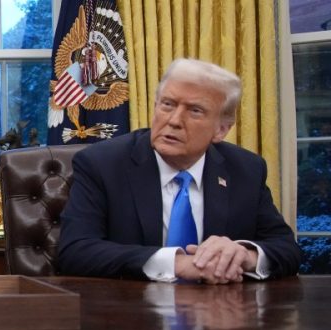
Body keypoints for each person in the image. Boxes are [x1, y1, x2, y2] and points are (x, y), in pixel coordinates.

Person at [57, 58, 301, 284]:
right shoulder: (102, 164)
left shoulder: (246, 169)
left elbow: (287, 249)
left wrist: (243, 255)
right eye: (168, 104)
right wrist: (177, 264)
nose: (174, 120)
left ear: (221, 129)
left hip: (221, 319)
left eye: (195, 110)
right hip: (130, 317)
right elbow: (75, 251)